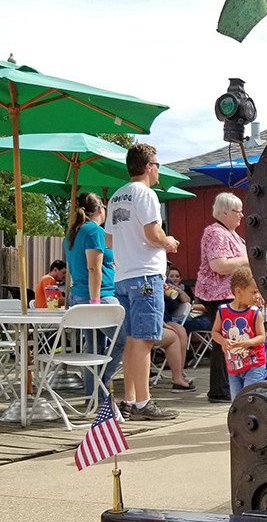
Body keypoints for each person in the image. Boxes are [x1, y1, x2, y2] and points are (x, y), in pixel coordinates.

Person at [104, 143, 180, 422]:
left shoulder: (116, 196)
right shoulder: (146, 194)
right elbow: (152, 234)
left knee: (132, 341)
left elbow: (109, 239)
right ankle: (143, 403)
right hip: (146, 275)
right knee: (146, 339)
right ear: (148, 167)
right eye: (157, 165)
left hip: (123, 277)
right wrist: (168, 241)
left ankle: (132, 399)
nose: (159, 171)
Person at [64, 191, 127, 397]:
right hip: (98, 297)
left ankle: (94, 396)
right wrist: (95, 302)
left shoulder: (74, 232)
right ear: (101, 209)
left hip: (79, 296)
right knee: (125, 340)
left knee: (93, 349)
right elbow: (93, 268)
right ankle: (101, 383)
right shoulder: (93, 231)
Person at [194, 192, 249, 403]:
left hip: (230, 293)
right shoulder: (215, 232)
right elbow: (219, 265)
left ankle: (228, 387)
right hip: (217, 293)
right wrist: (247, 259)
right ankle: (219, 390)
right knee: (224, 340)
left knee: (231, 338)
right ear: (224, 212)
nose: (242, 215)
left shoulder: (232, 233)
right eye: (238, 211)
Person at [211, 265, 267, 398]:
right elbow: (215, 333)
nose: (257, 296)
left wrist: (246, 343)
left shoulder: (255, 313)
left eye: (258, 292)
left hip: (254, 363)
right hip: (233, 366)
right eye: (253, 292)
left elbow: (261, 337)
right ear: (238, 291)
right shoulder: (223, 311)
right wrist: (223, 341)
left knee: (249, 398)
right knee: (236, 400)